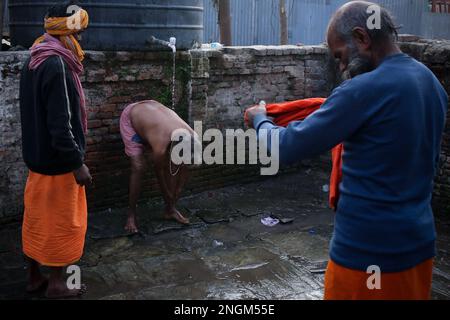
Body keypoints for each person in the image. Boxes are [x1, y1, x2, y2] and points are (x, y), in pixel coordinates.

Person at [246, 1, 448, 300]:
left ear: (362, 38)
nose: (341, 66)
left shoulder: (363, 91)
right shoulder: (429, 82)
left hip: (367, 256)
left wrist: (260, 119)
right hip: (418, 249)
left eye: (340, 55)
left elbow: (285, 147)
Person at [19, 2, 91, 298]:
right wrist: (77, 164)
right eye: (80, 32)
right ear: (68, 32)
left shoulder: (34, 57)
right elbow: (61, 125)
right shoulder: (57, 63)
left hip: (37, 161)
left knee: (37, 222)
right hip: (59, 164)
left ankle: (35, 277)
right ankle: (59, 284)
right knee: (63, 225)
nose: (82, 39)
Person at [120, 100, 199, 233]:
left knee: (175, 165)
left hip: (153, 112)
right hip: (132, 118)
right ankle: (131, 215)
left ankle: (170, 210)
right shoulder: (161, 145)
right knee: (139, 168)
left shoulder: (193, 138)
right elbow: (159, 173)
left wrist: (178, 191)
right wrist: (168, 194)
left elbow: (186, 166)